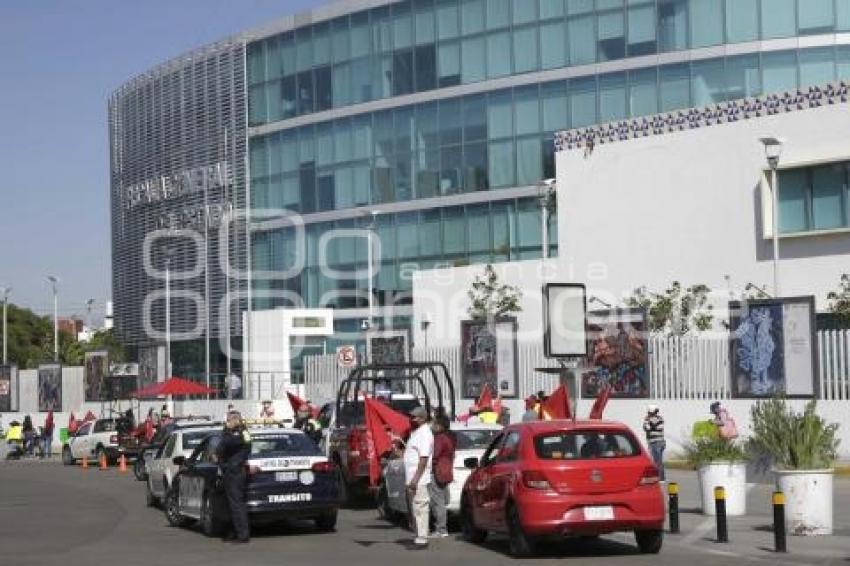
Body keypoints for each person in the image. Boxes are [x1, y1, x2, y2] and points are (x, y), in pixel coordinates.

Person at [215, 411, 252, 543]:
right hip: (229, 471)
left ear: (235, 420)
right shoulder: (232, 433)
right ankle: (232, 532)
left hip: (235, 471)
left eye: (229, 421)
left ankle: (242, 535)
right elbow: (220, 448)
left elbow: (226, 444)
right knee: (228, 505)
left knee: (237, 505)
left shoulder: (241, 433)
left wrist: (231, 430)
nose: (227, 423)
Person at [404, 406, 433, 549]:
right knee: (415, 509)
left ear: (422, 418)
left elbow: (423, 459)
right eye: (412, 416)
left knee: (421, 508)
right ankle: (418, 536)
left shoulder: (425, 434)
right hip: (412, 477)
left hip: (419, 479)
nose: (412, 419)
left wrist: (415, 479)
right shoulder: (417, 433)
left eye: (415, 417)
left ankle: (422, 538)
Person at [429, 414, 455, 539]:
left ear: (439, 426)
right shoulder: (447, 437)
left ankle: (441, 529)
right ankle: (441, 528)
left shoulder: (439, 438)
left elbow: (434, 455)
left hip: (438, 472)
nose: (431, 426)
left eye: (434, 423)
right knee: (442, 501)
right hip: (445, 471)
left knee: (437, 501)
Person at [643, 405, 665, 481]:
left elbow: (647, 428)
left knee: (657, 461)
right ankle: (661, 477)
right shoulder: (660, 418)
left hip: (655, 442)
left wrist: (651, 426)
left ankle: (660, 478)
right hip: (661, 442)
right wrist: (653, 427)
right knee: (659, 461)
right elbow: (657, 427)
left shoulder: (647, 419)